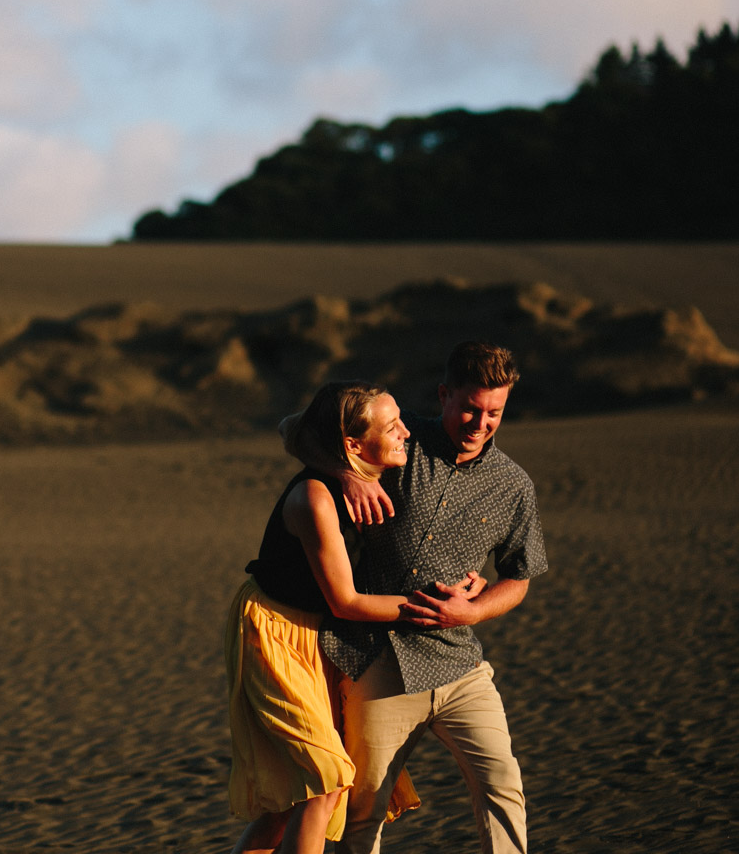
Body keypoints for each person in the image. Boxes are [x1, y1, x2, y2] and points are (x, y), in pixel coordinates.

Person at [225, 380, 488, 854]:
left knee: (295, 801)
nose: (407, 432)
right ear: (352, 444)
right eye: (392, 427)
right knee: (325, 781)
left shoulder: (361, 467)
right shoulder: (314, 500)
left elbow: (293, 428)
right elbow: (346, 601)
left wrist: (464, 585)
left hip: (323, 637)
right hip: (276, 632)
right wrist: (438, 609)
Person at [316, 342, 547, 854]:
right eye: (469, 406)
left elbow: (521, 575)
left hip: (460, 663)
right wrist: (342, 474)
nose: (480, 422)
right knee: (363, 810)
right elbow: (298, 431)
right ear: (444, 394)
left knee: (503, 787)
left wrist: (475, 609)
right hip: (378, 661)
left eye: (494, 413)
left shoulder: (513, 485)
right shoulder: (401, 439)